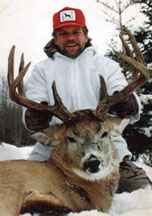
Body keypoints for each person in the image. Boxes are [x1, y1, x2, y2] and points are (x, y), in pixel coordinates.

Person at [22, 7, 151, 192]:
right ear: (55, 38)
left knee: (141, 194)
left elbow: (126, 98)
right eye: (63, 33)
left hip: (108, 150)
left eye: (76, 32)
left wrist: (124, 101)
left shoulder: (107, 66)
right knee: (26, 192)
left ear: (86, 35)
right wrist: (36, 113)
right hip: (55, 154)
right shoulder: (42, 70)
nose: (70, 38)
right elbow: (30, 112)